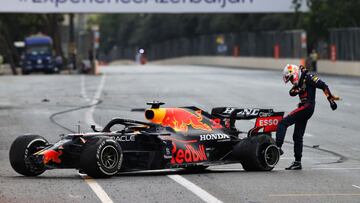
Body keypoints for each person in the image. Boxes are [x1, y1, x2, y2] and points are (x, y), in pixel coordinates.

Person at [276, 64, 340, 170]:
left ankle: (277, 147)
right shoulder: (300, 80)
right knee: (297, 136)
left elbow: (323, 85)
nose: (291, 82)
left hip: (307, 107)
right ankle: (297, 162)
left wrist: (331, 101)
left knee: (283, 123)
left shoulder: (309, 77)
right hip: (305, 108)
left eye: (291, 78)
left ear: (295, 74)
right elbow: (291, 92)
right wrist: (298, 89)